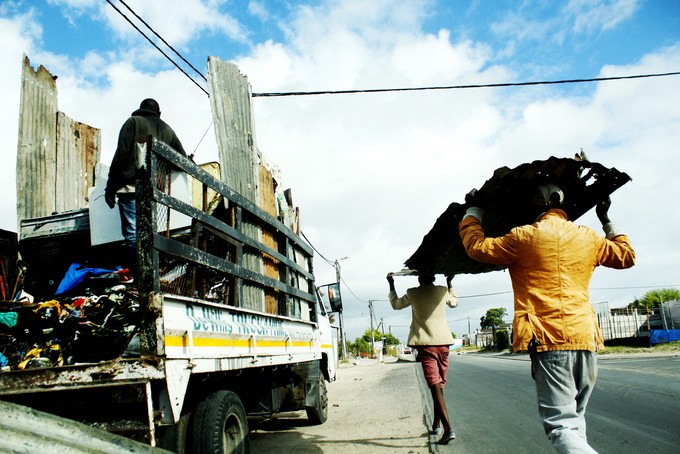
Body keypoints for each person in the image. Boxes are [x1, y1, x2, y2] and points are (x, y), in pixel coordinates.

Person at [459, 184, 636, 453]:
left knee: (561, 427)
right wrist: (606, 219)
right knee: (575, 422)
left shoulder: (523, 237)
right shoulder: (588, 237)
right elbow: (627, 256)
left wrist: (474, 210)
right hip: (585, 338)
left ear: (533, 208)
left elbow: (476, 247)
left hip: (549, 338)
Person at [105, 98, 186, 270]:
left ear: (140, 109)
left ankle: (138, 274)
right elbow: (181, 160)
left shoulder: (132, 122)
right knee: (149, 232)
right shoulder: (168, 130)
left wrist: (110, 188)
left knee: (132, 233)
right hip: (154, 191)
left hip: (130, 187)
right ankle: (150, 270)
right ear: (159, 113)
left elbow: (121, 155)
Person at [387, 272, 459, 445]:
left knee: (434, 384)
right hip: (444, 343)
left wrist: (391, 284)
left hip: (426, 344)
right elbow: (455, 303)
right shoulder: (442, 291)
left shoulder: (412, 292)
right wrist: (449, 283)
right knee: (439, 386)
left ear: (419, 278)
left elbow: (396, 305)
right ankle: (437, 424)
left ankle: (448, 429)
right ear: (434, 278)